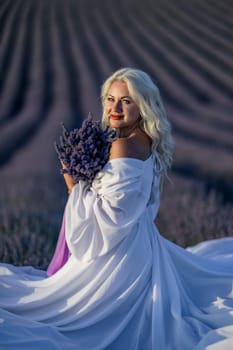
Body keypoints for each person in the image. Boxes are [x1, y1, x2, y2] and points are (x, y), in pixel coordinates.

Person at [0, 68, 233, 349]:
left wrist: (74, 186)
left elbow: (112, 218)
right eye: (110, 99)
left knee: (54, 318)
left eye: (127, 101)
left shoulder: (123, 146)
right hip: (138, 246)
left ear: (143, 105)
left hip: (118, 260)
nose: (115, 108)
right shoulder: (143, 140)